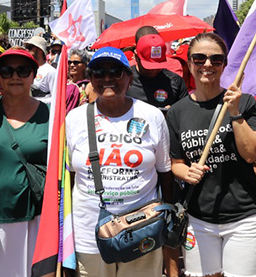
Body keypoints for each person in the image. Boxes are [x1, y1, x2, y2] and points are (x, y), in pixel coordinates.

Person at [65, 47, 175, 277]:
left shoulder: (152, 116)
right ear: (90, 78)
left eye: (116, 71)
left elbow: (165, 173)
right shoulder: (74, 119)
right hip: (90, 234)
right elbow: (70, 177)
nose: (107, 78)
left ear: (129, 78)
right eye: (99, 72)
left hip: (142, 231)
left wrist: (166, 224)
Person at [167, 33, 256, 277]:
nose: (207, 65)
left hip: (245, 217)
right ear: (189, 64)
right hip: (199, 219)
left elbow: (253, 153)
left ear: (225, 64)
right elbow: (175, 163)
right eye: (199, 58)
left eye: (216, 59)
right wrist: (187, 172)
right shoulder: (177, 112)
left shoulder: (244, 102)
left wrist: (234, 112)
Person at [0, 48, 48, 276]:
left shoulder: (51, 115)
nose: (15, 76)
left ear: (33, 75)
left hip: (39, 217)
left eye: (23, 70)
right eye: (7, 71)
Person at [128, 33, 189, 111]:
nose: (153, 70)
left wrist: (172, 114)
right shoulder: (124, 80)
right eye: (148, 66)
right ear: (136, 57)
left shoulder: (175, 81)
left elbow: (185, 112)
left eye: (158, 66)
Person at [24, 36, 57, 105]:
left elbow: (55, 98)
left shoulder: (50, 71)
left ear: (39, 50)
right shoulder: (25, 69)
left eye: (30, 47)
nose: (27, 50)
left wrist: (35, 100)